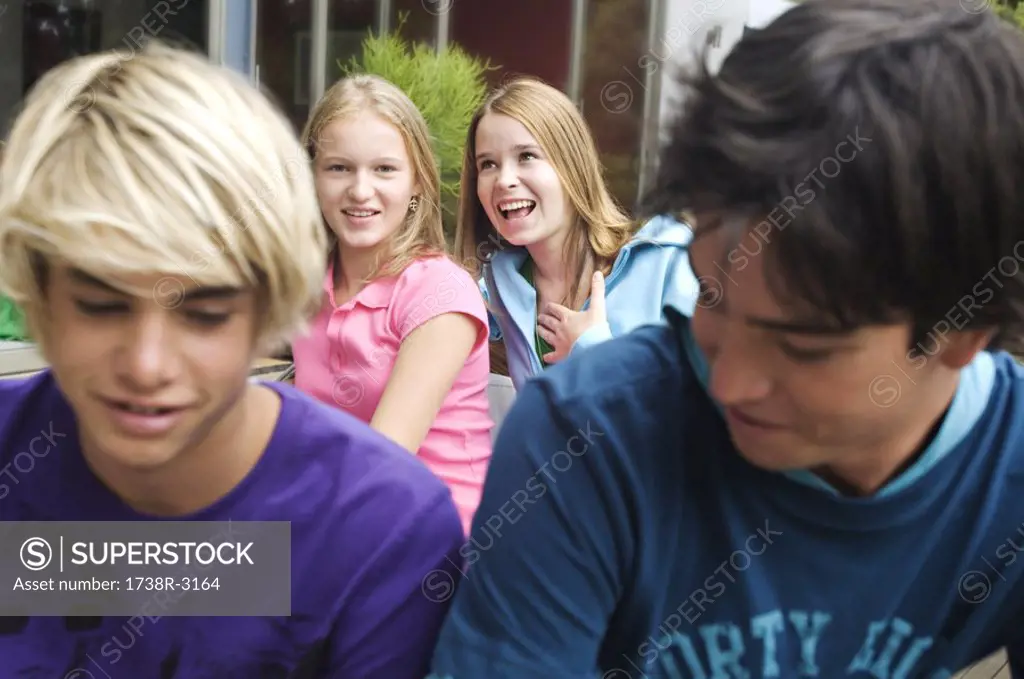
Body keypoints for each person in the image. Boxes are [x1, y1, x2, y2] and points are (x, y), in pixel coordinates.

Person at [428, 1, 1024, 677]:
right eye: (708, 295)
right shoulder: (579, 427)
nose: (730, 380)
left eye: (799, 343)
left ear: (962, 332)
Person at [0, 42, 464, 678]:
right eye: (100, 306)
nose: (147, 364)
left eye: (204, 314)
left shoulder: (381, 527)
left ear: (268, 310)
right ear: (40, 297)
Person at [291, 74, 492, 534]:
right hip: (334, 529)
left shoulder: (439, 293)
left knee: (180, 574)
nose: (361, 191)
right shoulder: (308, 285)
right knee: (123, 565)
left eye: (384, 169)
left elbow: (378, 469)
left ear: (418, 180)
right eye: (339, 168)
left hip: (424, 546)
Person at [454, 77, 700, 392]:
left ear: (572, 164)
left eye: (527, 156)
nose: (504, 180)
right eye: (488, 164)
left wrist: (593, 350)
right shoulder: (500, 284)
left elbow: (696, 408)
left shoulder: (664, 258)